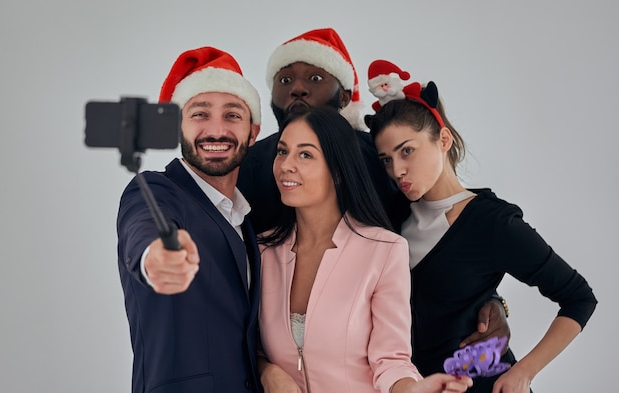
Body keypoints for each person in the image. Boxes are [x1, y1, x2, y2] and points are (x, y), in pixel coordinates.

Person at [236, 26, 510, 349]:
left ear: (343, 95)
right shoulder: (251, 166)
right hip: (282, 344)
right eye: (285, 80)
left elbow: (436, 228)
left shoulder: (379, 157)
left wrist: (489, 298)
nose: (297, 89)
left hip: (392, 342)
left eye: (314, 79)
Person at [365, 60, 598, 392]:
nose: (397, 170)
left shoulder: (493, 222)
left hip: (483, 383)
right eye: (387, 159)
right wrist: (495, 301)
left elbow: (579, 297)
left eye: (407, 151)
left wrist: (524, 373)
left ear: (442, 139)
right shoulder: (392, 216)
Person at [256, 106, 473, 393]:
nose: (285, 165)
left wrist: (412, 389)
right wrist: (267, 371)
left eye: (305, 154)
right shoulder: (260, 252)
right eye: (283, 151)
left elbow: (391, 359)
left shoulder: (384, 251)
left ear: (337, 170)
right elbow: (246, 343)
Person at [117, 46, 263, 393]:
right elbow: (144, 228)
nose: (216, 130)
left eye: (232, 115)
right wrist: (157, 257)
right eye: (199, 114)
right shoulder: (153, 190)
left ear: (252, 132)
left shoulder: (245, 216)